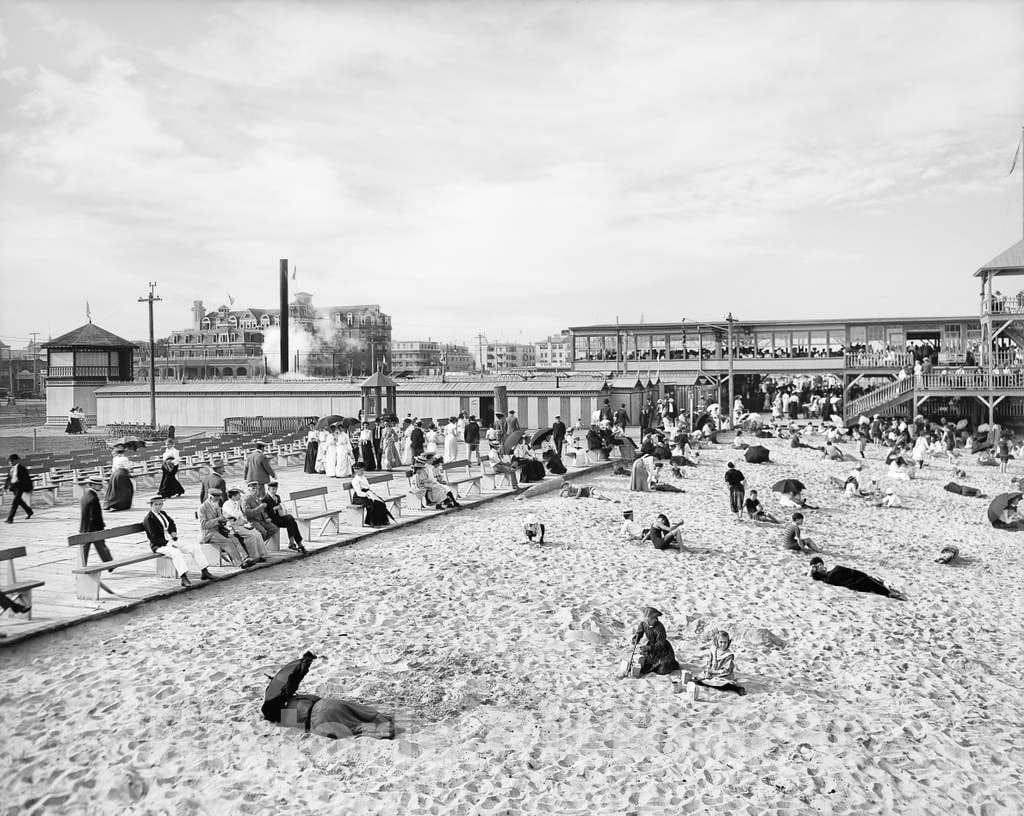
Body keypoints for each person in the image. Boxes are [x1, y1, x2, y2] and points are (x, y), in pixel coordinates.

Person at [261, 651, 395, 740]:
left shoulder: (284, 715)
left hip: (319, 719)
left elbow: (299, 718)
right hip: (325, 704)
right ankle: (382, 719)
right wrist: (305, 662)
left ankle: (383, 730)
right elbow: (294, 680)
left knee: (354, 727)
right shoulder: (291, 701)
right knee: (359, 711)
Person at [143, 496, 216, 587]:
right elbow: (154, 538)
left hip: (171, 540)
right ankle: (183, 577)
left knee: (194, 547)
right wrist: (168, 543)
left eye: (160, 504)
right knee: (176, 552)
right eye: (156, 504)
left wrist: (173, 532)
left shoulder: (163, 513)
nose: (158, 506)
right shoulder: (149, 519)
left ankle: (204, 571)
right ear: (151, 505)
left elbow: (172, 523)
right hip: (159, 545)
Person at [809, 556, 906, 599]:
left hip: (854, 578)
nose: (819, 567)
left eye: (819, 564)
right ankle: (889, 593)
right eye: (817, 567)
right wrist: (812, 569)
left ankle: (888, 589)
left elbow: (851, 571)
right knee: (870, 582)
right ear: (815, 569)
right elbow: (810, 576)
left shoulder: (829, 571)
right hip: (853, 583)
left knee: (871, 579)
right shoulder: (824, 577)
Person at [198, 488, 251, 567]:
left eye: (219, 499)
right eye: (216, 500)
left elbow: (222, 520)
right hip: (208, 533)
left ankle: (245, 558)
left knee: (234, 538)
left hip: (218, 530)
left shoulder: (217, 507)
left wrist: (225, 521)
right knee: (227, 542)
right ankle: (239, 562)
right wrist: (218, 519)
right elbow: (204, 525)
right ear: (210, 498)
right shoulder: (202, 508)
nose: (218, 501)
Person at [223, 488, 269, 563]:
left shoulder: (237, 502)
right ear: (233, 496)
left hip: (241, 524)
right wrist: (238, 505)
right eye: (238, 495)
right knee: (251, 536)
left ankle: (261, 555)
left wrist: (246, 522)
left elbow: (241, 515)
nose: (240, 496)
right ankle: (254, 557)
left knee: (257, 534)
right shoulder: (227, 504)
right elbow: (235, 515)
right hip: (232, 526)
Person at [693, 630, 747, 696]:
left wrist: (714, 673)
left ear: (728, 643)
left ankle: (737, 689)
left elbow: (727, 671)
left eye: (725, 642)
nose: (723, 644)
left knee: (722, 685)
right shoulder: (714, 649)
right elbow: (709, 661)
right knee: (700, 679)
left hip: (723, 675)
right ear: (717, 642)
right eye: (721, 642)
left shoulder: (728, 655)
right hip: (712, 672)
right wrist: (708, 670)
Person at [630, 607, 680, 675]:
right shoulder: (643, 624)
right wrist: (635, 639)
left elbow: (660, 644)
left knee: (663, 669)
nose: (655, 620)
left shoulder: (660, 628)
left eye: (655, 618)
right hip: (651, 646)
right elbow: (639, 633)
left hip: (663, 649)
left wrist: (648, 648)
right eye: (652, 618)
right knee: (643, 664)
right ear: (647, 619)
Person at [261, 481, 305, 552]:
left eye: (276, 489)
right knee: (291, 521)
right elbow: (265, 513)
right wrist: (274, 509)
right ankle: (296, 543)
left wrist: (281, 508)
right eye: (273, 489)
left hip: (279, 517)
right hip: (272, 520)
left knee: (291, 520)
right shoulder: (265, 499)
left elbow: (280, 508)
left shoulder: (277, 497)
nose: (275, 491)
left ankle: (293, 543)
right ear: (269, 489)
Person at [78, 475, 111, 564]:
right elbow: (94, 516)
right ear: (92, 485)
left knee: (86, 549)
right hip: (93, 529)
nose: (101, 486)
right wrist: (101, 528)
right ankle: (109, 564)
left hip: (85, 528)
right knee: (101, 547)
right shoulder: (93, 498)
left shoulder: (86, 495)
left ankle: (83, 565)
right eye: (98, 484)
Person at [4, 453, 33, 523]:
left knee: (15, 503)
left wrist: (28, 488)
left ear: (16, 461)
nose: (10, 462)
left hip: (20, 487)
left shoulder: (22, 469)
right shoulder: (11, 469)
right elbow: (8, 478)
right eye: (9, 461)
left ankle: (10, 518)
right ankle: (29, 512)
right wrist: (5, 487)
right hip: (14, 487)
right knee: (19, 501)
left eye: (11, 461)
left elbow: (27, 479)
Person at [103, 445, 134, 511]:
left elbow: (113, 468)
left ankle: (111, 504)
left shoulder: (115, 459)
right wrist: (131, 464)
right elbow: (127, 467)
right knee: (126, 489)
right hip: (122, 474)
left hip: (115, 475)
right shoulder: (125, 459)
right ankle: (122, 505)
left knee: (115, 490)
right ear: (123, 452)